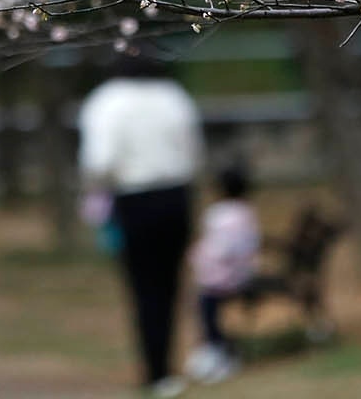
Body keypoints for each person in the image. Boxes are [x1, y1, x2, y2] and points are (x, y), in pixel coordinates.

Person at [79, 49, 204, 398]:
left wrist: (95, 194)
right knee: (171, 283)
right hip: (176, 197)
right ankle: (171, 361)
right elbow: (194, 153)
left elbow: (99, 162)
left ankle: (157, 370)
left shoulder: (106, 102)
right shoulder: (174, 97)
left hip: (135, 200)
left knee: (143, 287)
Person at [183, 164, 260, 384]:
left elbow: (220, 248)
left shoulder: (219, 214)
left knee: (205, 302)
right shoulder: (247, 212)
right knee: (203, 300)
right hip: (242, 273)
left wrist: (197, 256)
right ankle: (213, 348)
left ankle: (217, 351)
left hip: (225, 277)